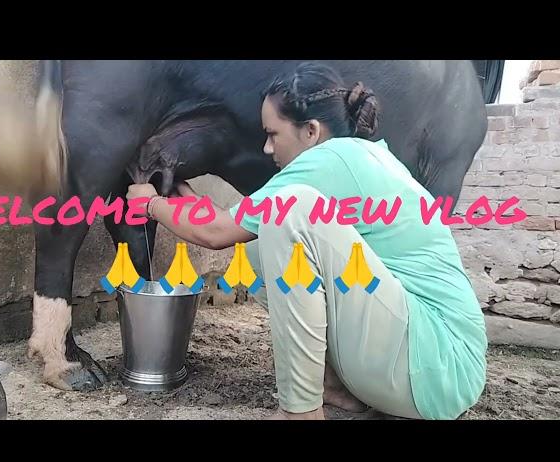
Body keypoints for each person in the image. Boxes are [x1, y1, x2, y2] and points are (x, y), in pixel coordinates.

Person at [127, 62, 487, 420]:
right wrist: (182, 196)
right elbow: (230, 223)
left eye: (273, 134)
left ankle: (301, 412)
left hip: (435, 367)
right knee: (259, 238)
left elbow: (214, 232)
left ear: (311, 131)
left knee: (291, 214)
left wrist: (151, 204)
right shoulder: (362, 155)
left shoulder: (328, 163)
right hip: (430, 365)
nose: (268, 148)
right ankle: (333, 386)